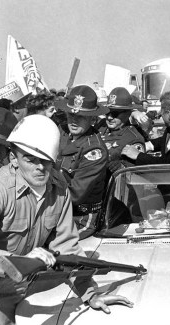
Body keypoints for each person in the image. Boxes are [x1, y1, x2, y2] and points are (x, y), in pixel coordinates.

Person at [0, 114, 133, 325]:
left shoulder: (59, 189)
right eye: (30, 159)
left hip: (16, 289)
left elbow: (67, 248)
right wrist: (15, 261)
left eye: (46, 160)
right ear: (13, 158)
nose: (40, 168)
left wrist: (90, 294)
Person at [54, 85, 109, 239]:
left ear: (92, 119)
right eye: (71, 115)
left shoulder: (95, 150)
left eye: (81, 117)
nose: (73, 121)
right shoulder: (62, 131)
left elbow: (76, 194)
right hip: (56, 210)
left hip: (80, 217)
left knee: (53, 247)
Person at [95, 87, 145, 174]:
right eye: (107, 113)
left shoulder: (134, 138)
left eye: (115, 114)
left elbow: (137, 171)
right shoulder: (101, 126)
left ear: (127, 114)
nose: (109, 117)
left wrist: (122, 166)